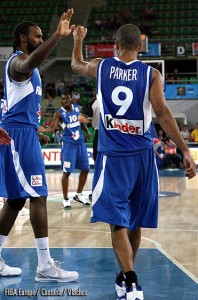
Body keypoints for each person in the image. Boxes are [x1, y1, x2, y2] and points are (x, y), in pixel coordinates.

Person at [71, 24, 196, 300]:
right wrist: (185, 149)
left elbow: (77, 65)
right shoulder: (152, 74)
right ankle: (129, 279)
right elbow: (162, 112)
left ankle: (128, 280)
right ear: (141, 46)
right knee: (135, 222)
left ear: (115, 45)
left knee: (118, 222)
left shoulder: (102, 67)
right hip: (143, 156)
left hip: (113, 157)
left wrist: (78, 39)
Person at [0, 9, 79, 282]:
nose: (40, 38)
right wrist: (58, 37)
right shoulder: (17, 62)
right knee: (38, 196)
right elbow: (30, 62)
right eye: (37, 36)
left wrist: (35, 132)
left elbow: (21, 105)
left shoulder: (27, 66)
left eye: (43, 36)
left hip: (24, 134)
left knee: (16, 199)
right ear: (24, 38)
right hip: (17, 136)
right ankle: (45, 266)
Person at [39, 92, 91, 209]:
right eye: (63, 99)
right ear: (61, 101)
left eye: (66, 98)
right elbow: (53, 127)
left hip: (80, 144)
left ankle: (78, 195)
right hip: (68, 145)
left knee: (86, 169)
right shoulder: (59, 113)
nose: (65, 101)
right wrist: (44, 130)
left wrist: (87, 132)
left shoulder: (77, 108)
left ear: (70, 99)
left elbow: (81, 122)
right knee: (67, 172)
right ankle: (66, 199)